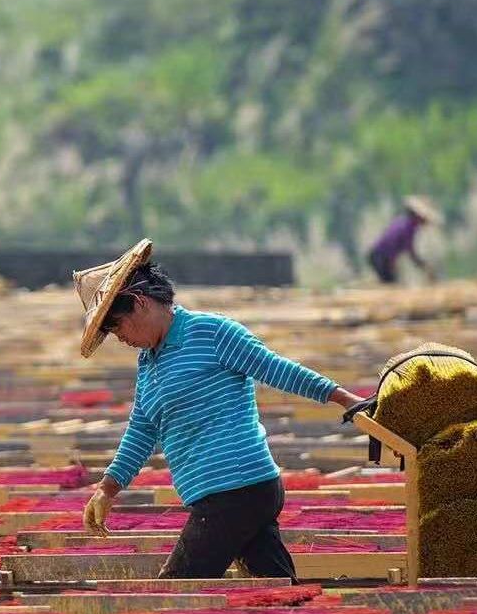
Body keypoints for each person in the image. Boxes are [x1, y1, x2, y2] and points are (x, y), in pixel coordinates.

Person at [71, 239, 361, 580]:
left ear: (138, 302)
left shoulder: (212, 332)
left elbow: (275, 369)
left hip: (237, 489)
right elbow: (142, 428)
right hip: (221, 494)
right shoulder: (148, 362)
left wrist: (344, 399)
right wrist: (108, 488)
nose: (120, 338)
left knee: (178, 588)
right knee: (274, 585)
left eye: (117, 326)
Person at [366, 196, 442, 284]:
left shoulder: (405, 223)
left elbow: (408, 250)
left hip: (380, 257)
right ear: (418, 216)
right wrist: (423, 266)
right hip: (380, 258)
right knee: (391, 286)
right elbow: (392, 244)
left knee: (391, 283)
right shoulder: (406, 227)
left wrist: (422, 265)